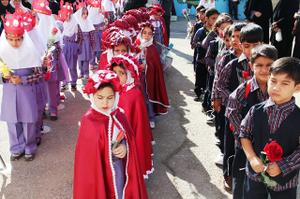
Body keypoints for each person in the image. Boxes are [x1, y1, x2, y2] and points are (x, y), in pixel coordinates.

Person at [73, 70, 148, 199]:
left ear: (116, 96)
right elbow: (86, 158)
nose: (105, 103)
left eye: (110, 98)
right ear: (92, 96)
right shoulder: (88, 120)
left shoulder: (119, 115)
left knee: (119, 192)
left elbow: (128, 139)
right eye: (100, 98)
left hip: (118, 166)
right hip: (98, 171)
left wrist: (125, 147)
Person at [240, 57, 300, 199]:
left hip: (285, 182)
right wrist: (252, 158)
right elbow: (244, 134)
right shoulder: (255, 111)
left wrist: (283, 165)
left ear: (297, 87)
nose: (276, 87)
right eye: (273, 81)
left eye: (285, 83)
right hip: (255, 178)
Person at [215, 23, 263, 191]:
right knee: (233, 149)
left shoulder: (267, 66)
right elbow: (220, 85)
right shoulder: (233, 64)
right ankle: (229, 174)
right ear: (241, 45)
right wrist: (234, 101)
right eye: (247, 46)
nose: (251, 50)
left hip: (260, 117)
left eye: (256, 45)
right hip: (236, 116)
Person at [226, 44, 278, 198]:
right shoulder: (244, 89)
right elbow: (232, 112)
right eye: (259, 65)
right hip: (246, 149)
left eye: (269, 65)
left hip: (271, 149)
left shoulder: (279, 89)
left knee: (267, 184)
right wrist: (246, 138)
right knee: (242, 185)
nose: (264, 70)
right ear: (251, 65)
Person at [0, 13, 44, 161]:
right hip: (10, 93)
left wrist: (23, 79)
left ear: (24, 37)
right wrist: (3, 77)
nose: (15, 43)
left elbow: (39, 74)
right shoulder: (2, 52)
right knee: (12, 122)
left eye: (18, 39)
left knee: (28, 121)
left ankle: (29, 147)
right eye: (11, 40)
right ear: (5, 37)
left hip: (27, 92)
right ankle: (16, 148)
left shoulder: (31, 51)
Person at [109, 54, 154, 178]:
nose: (117, 76)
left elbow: (132, 124)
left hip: (126, 140)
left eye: (121, 73)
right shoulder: (117, 90)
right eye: (114, 72)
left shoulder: (133, 95)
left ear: (129, 74)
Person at [135, 22, 170, 127]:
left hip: (148, 78)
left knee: (148, 98)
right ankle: (140, 118)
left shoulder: (153, 48)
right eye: (144, 33)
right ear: (141, 33)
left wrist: (147, 65)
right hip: (138, 77)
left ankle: (151, 117)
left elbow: (156, 66)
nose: (146, 35)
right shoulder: (136, 45)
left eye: (149, 33)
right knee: (139, 98)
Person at [192, 8, 219, 101]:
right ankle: (198, 93)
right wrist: (202, 44)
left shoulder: (218, 32)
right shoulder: (200, 31)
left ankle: (207, 96)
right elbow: (193, 44)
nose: (215, 21)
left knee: (209, 79)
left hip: (211, 61)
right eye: (213, 18)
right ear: (206, 18)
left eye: (217, 18)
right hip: (201, 60)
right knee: (200, 78)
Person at [60, 3, 82, 91]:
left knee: (72, 66)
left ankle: (73, 83)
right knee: (64, 65)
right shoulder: (62, 24)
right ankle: (64, 83)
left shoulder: (76, 24)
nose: (67, 17)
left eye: (69, 15)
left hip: (73, 46)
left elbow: (80, 37)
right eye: (66, 15)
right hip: (64, 46)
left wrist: (78, 46)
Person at [74, 6, 95, 80]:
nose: (85, 15)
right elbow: (75, 34)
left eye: (86, 14)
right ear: (80, 14)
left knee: (86, 57)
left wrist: (92, 44)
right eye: (83, 14)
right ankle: (81, 72)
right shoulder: (78, 23)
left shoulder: (89, 22)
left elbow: (92, 34)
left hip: (87, 42)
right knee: (80, 58)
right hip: (80, 43)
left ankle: (86, 72)